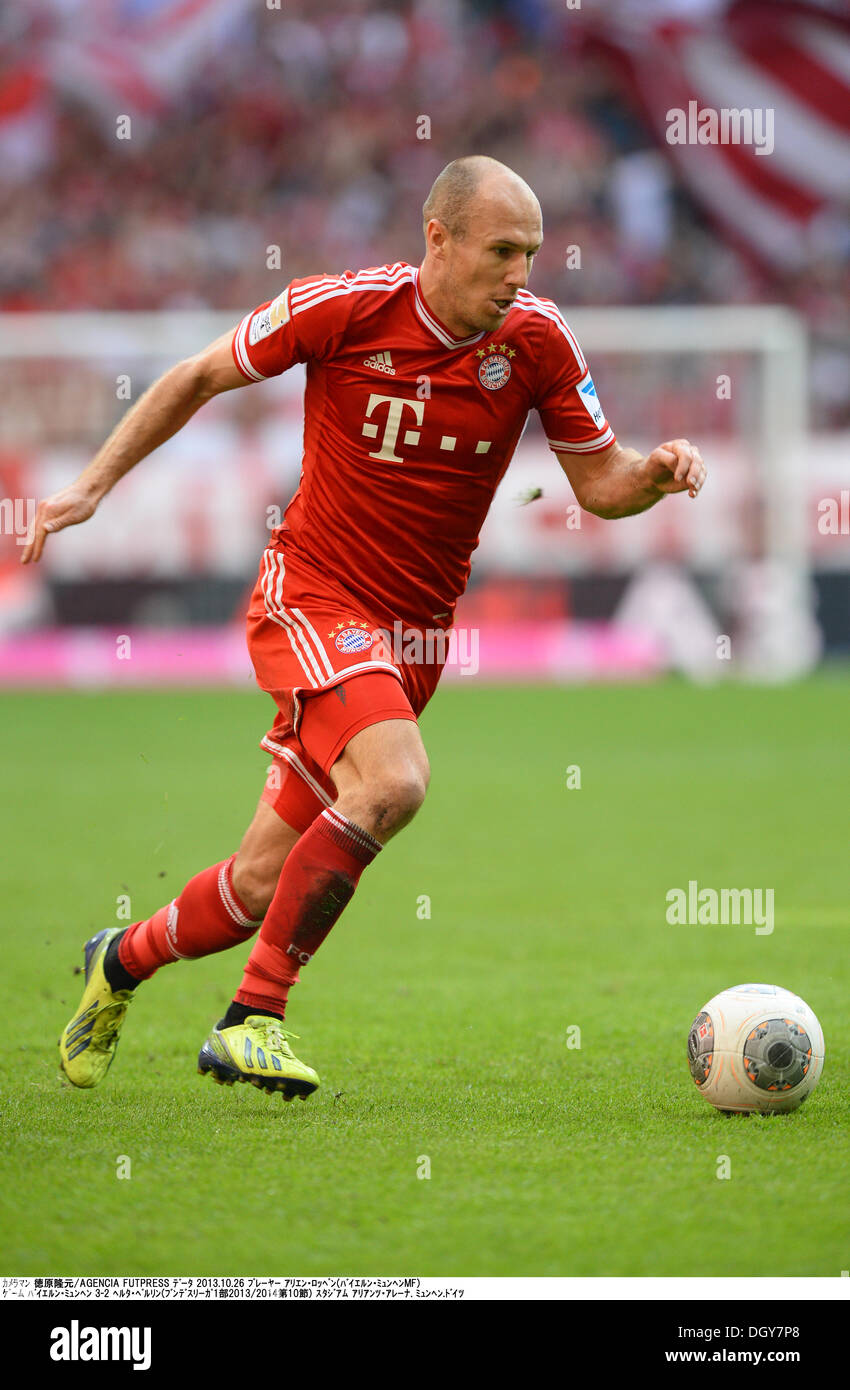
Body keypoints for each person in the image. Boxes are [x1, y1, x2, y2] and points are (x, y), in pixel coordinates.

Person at [23, 156, 706, 1101]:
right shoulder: (342, 308)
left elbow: (601, 483)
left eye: (533, 253)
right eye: (503, 250)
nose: (521, 272)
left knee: (258, 887)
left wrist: (656, 475)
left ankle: (120, 961)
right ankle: (253, 1017)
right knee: (396, 780)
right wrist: (88, 488)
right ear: (440, 237)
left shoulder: (539, 341)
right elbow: (198, 375)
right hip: (311, 596)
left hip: (413, 638)